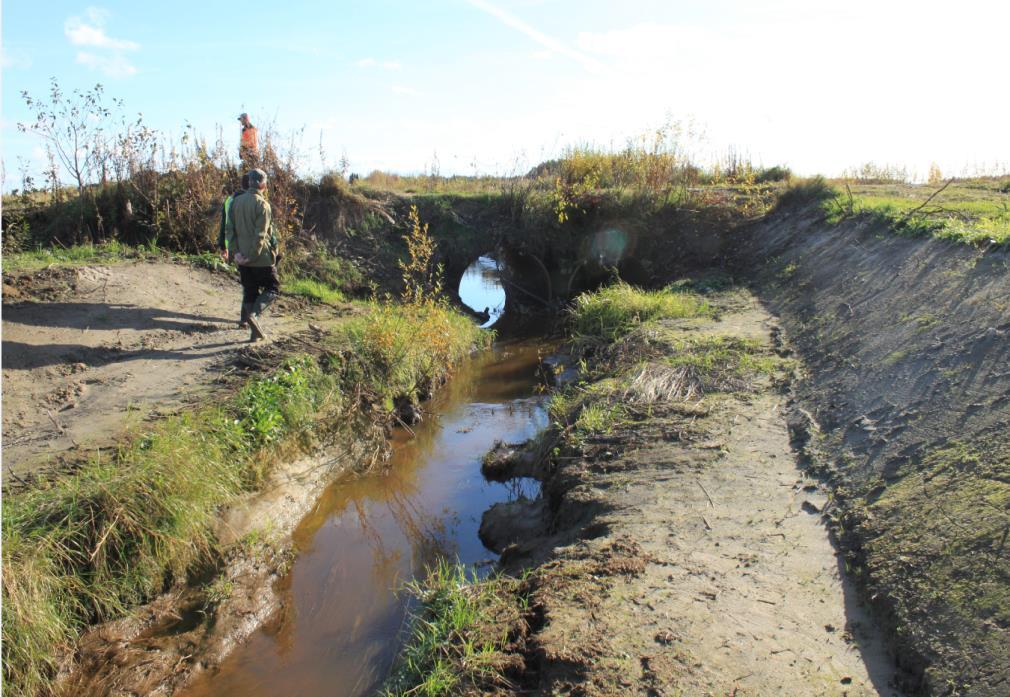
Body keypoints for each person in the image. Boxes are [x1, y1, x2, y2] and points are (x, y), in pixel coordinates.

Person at [225, 168, 279, 341]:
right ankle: (254, 315)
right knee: (273, 288)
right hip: (261, 258)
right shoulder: (263, 205)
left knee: (250, 291)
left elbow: (229, 231)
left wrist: (237, 254)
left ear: (249, 182)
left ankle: (253, 335)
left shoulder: (235, 202)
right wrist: (252, 255)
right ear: (263, 184)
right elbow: (261, 235)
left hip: (242, 258)